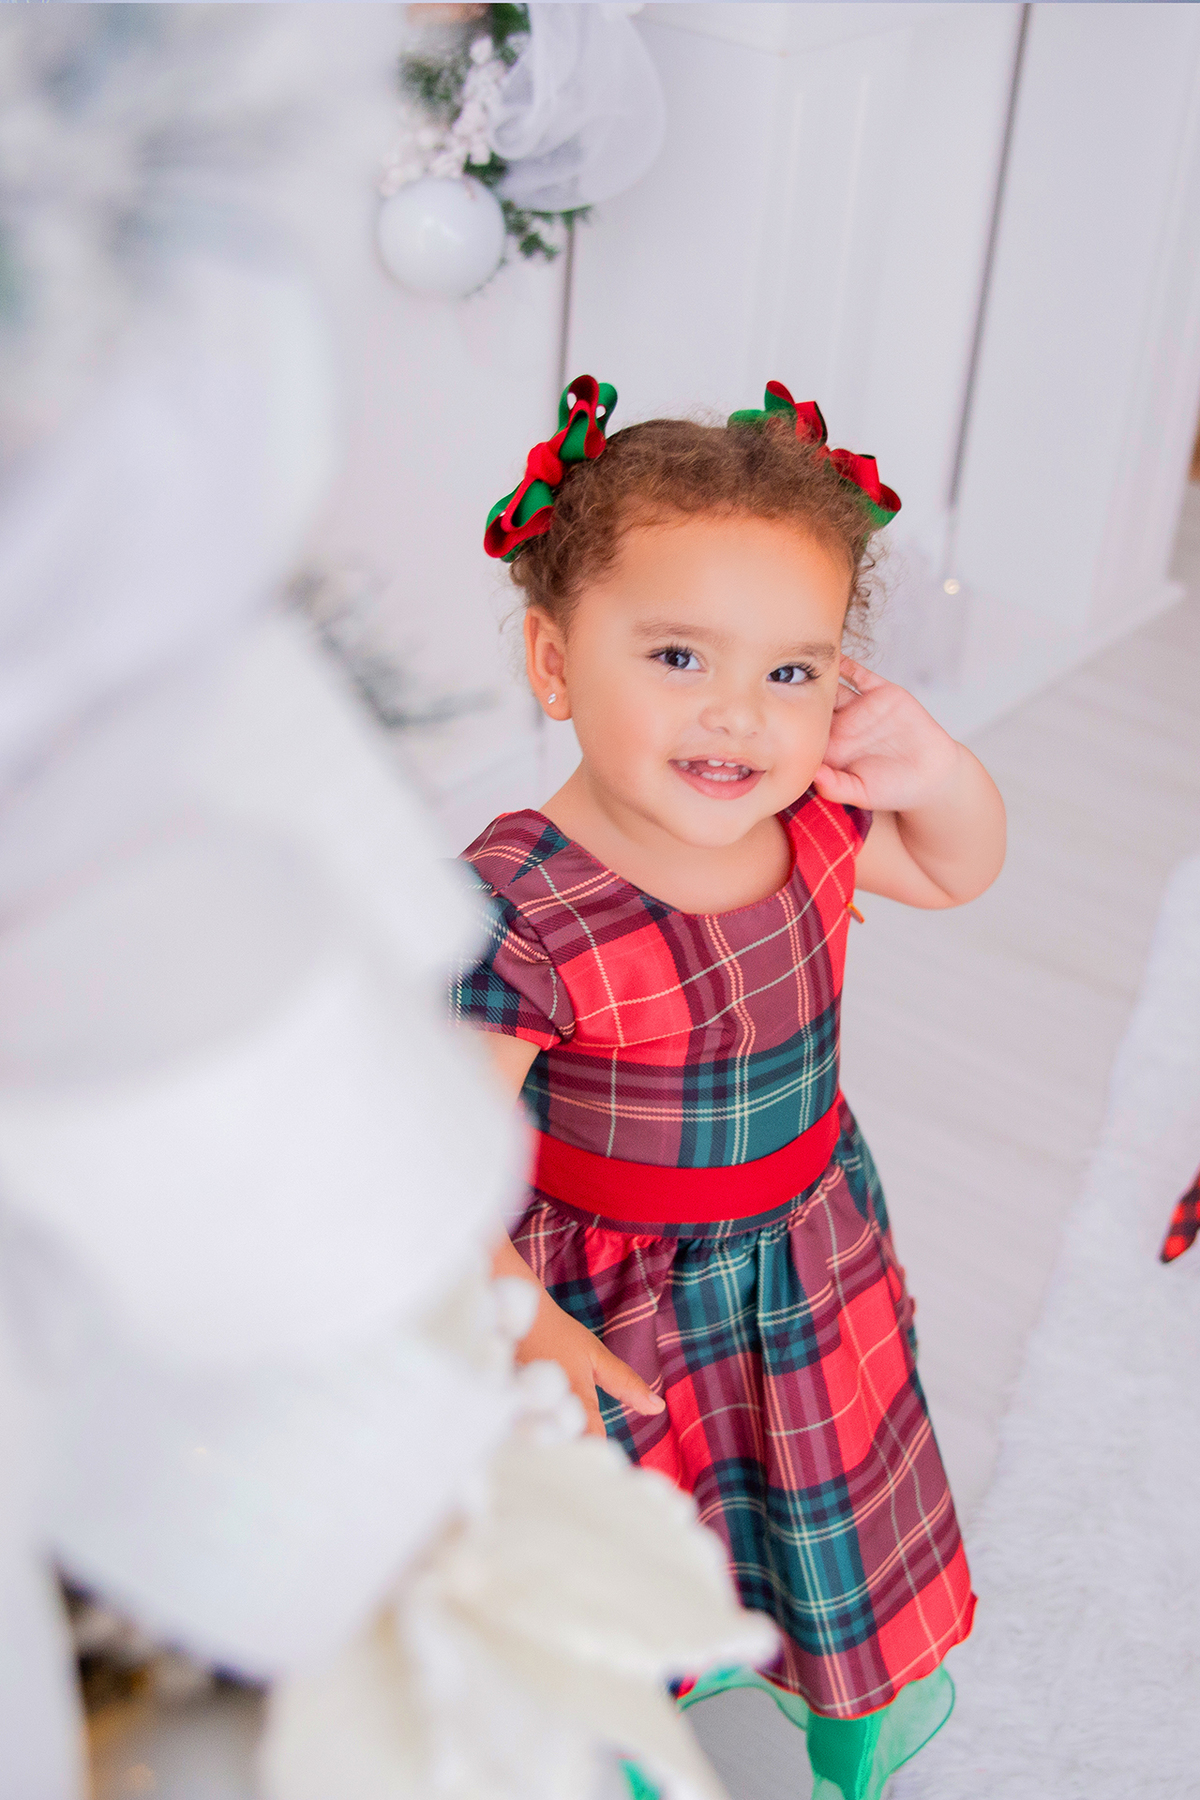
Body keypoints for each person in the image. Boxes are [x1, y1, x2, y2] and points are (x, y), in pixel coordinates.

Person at [452, 375, 1006, 1800]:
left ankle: (812, 1694)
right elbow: (433, 1148)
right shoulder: (528, 906)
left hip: (806, 1262)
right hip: (612, 1305)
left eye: (792, 672)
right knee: (631, 1550)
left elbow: (957, 864)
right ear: (556, 662)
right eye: (680, 657)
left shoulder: (812, 822)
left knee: (808, 1514)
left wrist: (930, 764)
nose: (741, 718)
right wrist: (517, 1321)